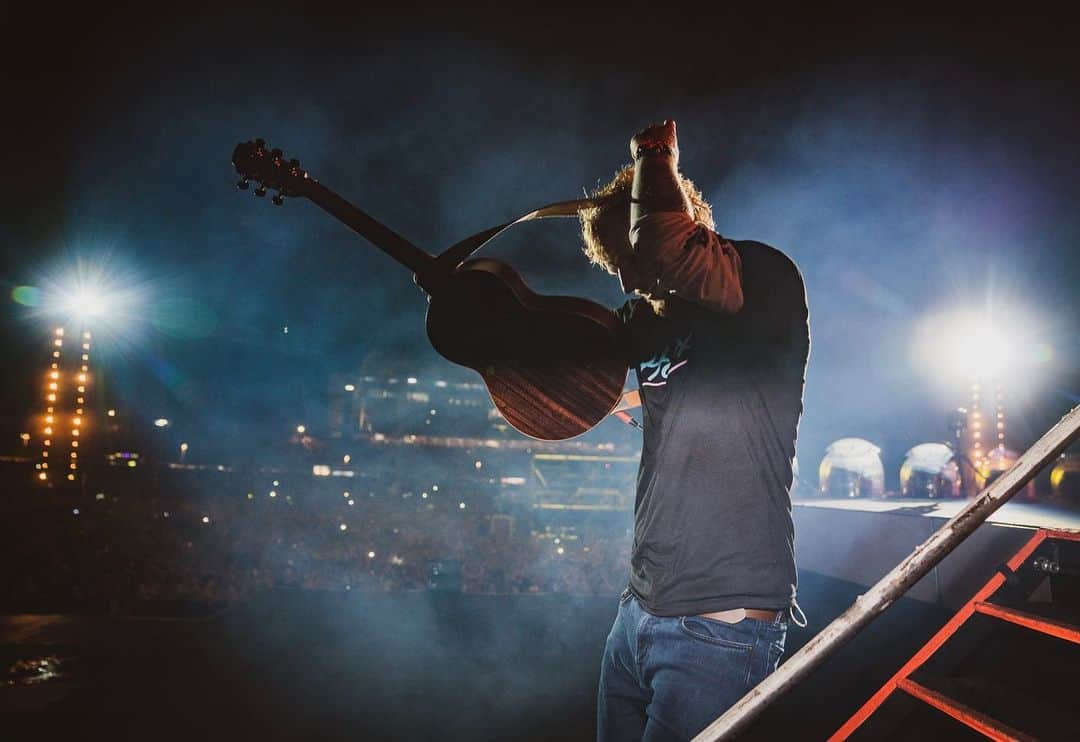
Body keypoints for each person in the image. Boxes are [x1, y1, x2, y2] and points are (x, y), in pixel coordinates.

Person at [581, 120, 810, 741]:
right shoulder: (648, 322)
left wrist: (653, 158)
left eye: (631, 260)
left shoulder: (762, 280)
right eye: (619, 267)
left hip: (721, 624)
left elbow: (664, 249)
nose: (628, 280)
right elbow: (558, 361)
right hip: (638, 614)